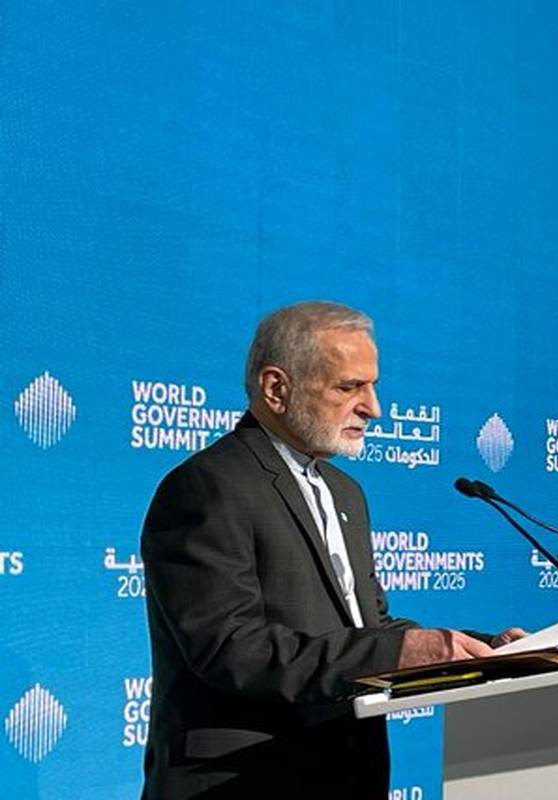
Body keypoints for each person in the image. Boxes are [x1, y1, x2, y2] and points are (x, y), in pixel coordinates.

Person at [140, 301, 521, 799]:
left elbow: (369, 628)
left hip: (344, 771)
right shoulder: (207, 486)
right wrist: (397, 652)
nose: (373, 408)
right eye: (348, 387)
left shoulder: (345, 492)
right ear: (276, 389)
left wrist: (478, 650)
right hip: (245, 782)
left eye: (372, 386)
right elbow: (232, 649)